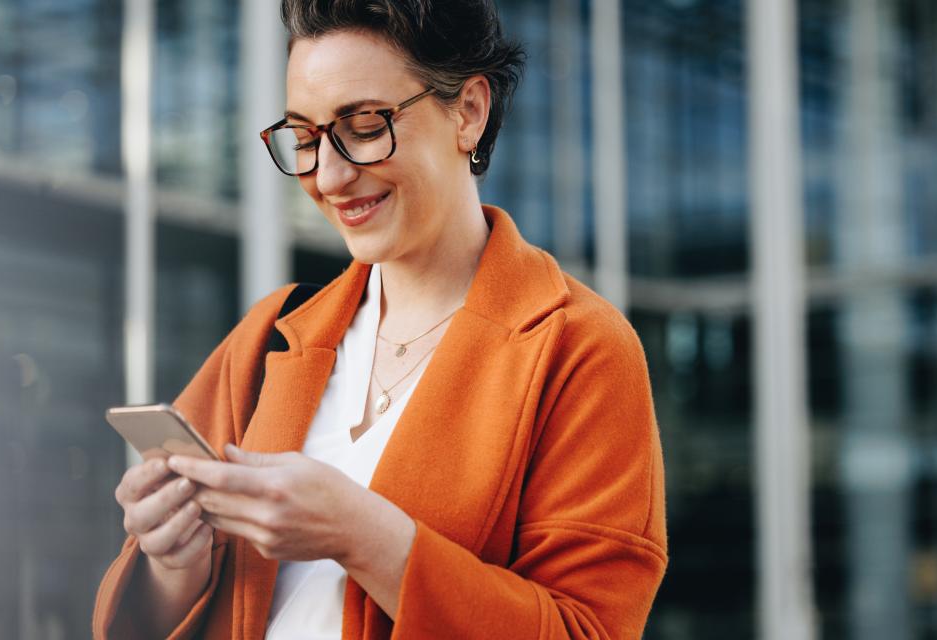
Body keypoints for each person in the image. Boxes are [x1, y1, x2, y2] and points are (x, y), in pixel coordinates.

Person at [93, 1, 668, 638]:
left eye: (365, 127)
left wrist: (364, 535)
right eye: (305, 140)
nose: (329, 177)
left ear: (469, 112)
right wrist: (175, 565)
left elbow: (586, 629)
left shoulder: (577, 349)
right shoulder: (271, 335)